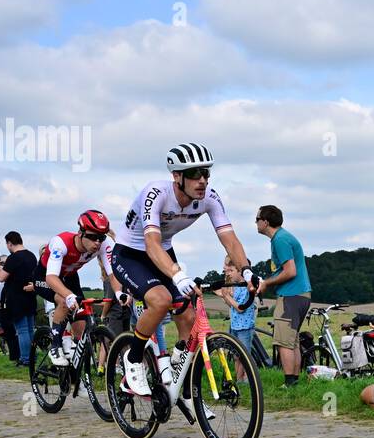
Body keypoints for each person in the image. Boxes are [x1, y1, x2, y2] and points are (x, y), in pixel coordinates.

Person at [110, 143, 257, 396]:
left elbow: (230, 240)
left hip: (163, 252)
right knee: (161, 300)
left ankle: (176, 378)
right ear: (177, 176)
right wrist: (177, 275)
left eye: (206, 174)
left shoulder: (209, 198)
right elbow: (151, 243)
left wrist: (246, 271)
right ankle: (132, 362)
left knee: (187, 315)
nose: (202, 180)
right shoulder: (156, 193)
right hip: (131, 253)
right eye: (194, 174)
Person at [35, 210, 109, 366]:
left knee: (81, 325)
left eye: (101, 238)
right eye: (92, 237)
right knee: (63, 300)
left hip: (69, 276)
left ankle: (76, 371)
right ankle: (55, 346)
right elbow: (51, 277)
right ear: (80, 233)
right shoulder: (61, 242)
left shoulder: (101, 245)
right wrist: (68, 295)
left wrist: (119, 293)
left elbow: (112, 273)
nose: (97, 242)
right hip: (45, 276)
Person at [254, 205, 310, 387]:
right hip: (301, 295)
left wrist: (266, 283)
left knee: (284, 342)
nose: (255, 223)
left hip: (291, 296)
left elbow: (290, 271)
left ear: (266, 222)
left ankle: (289, 383)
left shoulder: (280, 240)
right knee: (292, 341)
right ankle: (294, 381)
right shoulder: (283, 237)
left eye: (257, 219)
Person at [215, 256, 257, 378]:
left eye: (231, 271)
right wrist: (223, 295)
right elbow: (231, 304)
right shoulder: (237, 285)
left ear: (240, 271)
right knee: (235, 355)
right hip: (235, 326)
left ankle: (241, 380)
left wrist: (226, 296)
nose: (229, 274)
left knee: (243, 355)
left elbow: (239, 308)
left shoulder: (246, 287)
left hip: (244, 328)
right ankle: (240, 378)